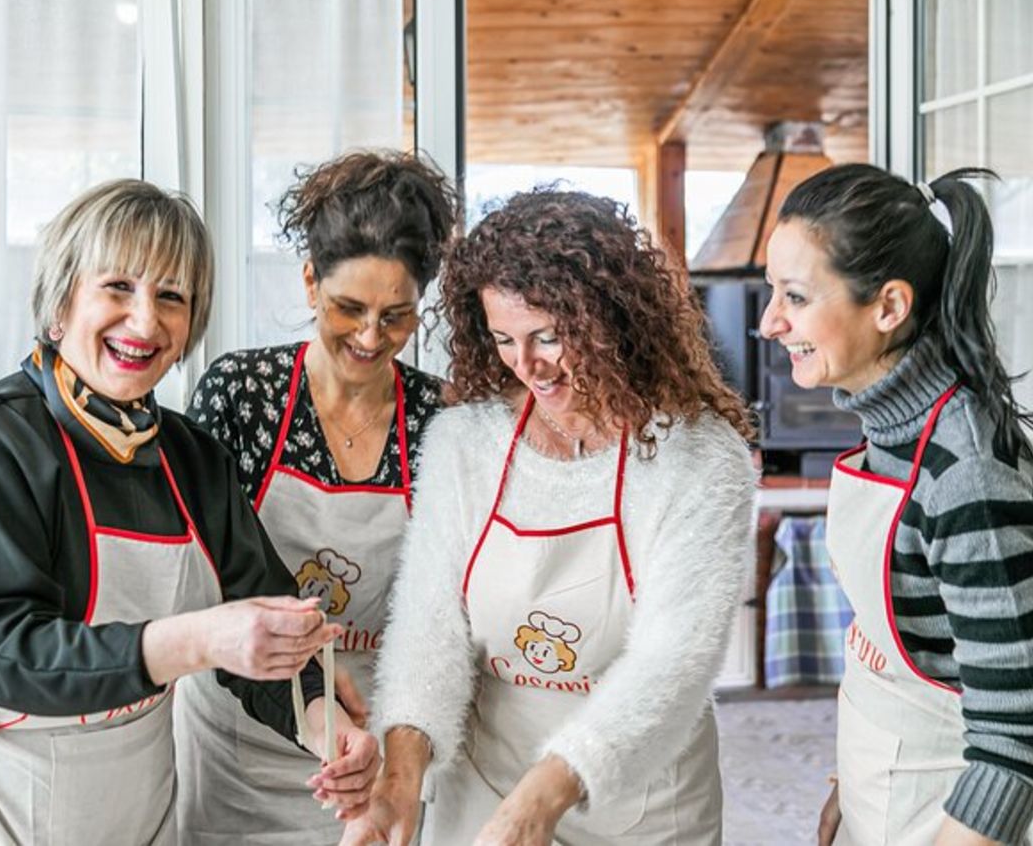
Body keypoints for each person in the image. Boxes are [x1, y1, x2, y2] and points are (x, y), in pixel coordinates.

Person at [0, 179, 379, 846]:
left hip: (129, 796)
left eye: (172, 296)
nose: (146, 322)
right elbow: (8, 652)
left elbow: (267, 616)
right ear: (61, 302)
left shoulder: (193, 461)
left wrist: (327, 721)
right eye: (118, 288)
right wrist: (199, 639)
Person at [342, 190, 758, 845]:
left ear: (609, 318)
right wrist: (400, 780)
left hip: (640, 807)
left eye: (548, 337)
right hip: (485, 788)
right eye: (503, 339)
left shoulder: (698, 456)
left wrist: (544, 794)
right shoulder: (465, 441)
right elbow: (429, 626)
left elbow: (674, 660)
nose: (526, 365)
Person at [176, 149, 458, 844]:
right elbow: (209, 588)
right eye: (348, 308)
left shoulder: (438, 419)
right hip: (238, 753)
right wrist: (314, 714)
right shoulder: (243, 396)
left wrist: (385, 760)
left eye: (396, 315)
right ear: (310, 281)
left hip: (372, 756)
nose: (370, 337)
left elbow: (443, 615)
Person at [758, 164, 1033, 846]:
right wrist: (852, 779)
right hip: (883, 793)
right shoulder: (888, 431)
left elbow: (1016, 737)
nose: (769, 322)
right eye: (771, 291)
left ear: (888, 307)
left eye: (795, 296)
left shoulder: (966, 473)